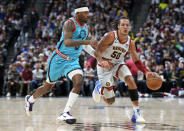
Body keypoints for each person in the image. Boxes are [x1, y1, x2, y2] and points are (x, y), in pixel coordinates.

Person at [25, 3, 97, 124]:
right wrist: (88, 41)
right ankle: (30, 99)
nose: (87, 15)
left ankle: (65, 112)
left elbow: (84, 45)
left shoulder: (86, 27)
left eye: (88, 12)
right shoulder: (69, 23)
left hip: (73, 61)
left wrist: (97, 56)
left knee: (79, 81)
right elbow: (68, 42)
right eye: (85, 13)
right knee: (47, 87)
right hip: (59, 59)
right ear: (77, 13)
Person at [93, 16, 157, 123]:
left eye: (127, 25)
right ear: (118, 26)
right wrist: (102, 61)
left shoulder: (130, 42)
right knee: (110, 102)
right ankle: (99, 88)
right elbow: (97, 51)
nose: (125, 27)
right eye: (122, 25)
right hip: (104, 66)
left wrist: (146, 72)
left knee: (131, 80)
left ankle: (136, 113)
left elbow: (136, 60)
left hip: (117, 64)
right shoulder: (110, 36)